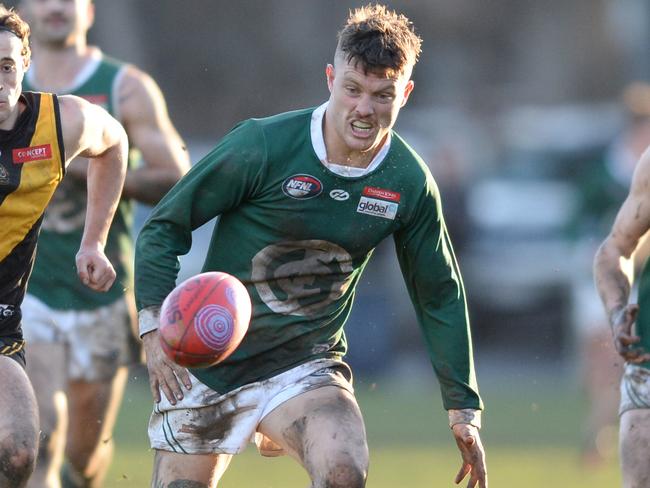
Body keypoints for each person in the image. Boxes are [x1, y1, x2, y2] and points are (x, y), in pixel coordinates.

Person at [135, 5, 487, 488]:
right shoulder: (263, 144)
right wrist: (154, 328)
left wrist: (462, 405)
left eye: (383, 95)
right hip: (210, 361)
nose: (365, 109)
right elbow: (164, 226)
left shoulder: (408, 182)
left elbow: (438, 291)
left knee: (344, 472)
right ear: (330, 79)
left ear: (405, 93)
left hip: (306, 364)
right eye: (353, 89)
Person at [14, 0, 191, 486]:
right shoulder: (9, 84)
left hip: (102, 288)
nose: (55, 7)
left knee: (84, 456)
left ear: (88, 10)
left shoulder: (124, 86)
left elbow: (178, 177)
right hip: (27, 288)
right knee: (40, 437)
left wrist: (82, 165)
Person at [0, 4, 127, 487]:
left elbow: (114, 143)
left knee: (19, 452)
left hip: (1, 323)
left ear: (25, 64)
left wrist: (93, 242)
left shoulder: (61, 121)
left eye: (8, 66)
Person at [573, 82, 650, 466]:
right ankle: (600, 425)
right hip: (601, 274)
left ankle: (597, 430)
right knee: (599, 359)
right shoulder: (609, 167)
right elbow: (579, 219)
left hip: (637, 280)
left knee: (617, 361)